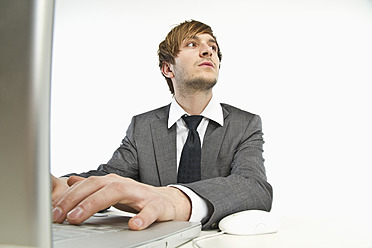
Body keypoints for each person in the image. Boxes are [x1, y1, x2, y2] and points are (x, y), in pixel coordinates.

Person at [52, 20, 273, 231]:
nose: (208, 51)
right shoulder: (143, 126)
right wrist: (61, 185)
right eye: (192, 44)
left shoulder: (245, 123)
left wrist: (175, 200)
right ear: (168, 68)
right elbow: (111, 176)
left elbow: (254, 187)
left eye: (212, 46)